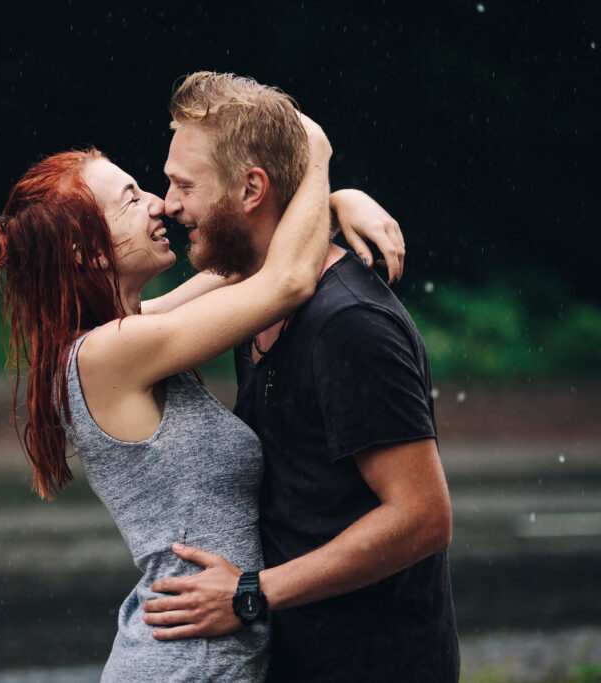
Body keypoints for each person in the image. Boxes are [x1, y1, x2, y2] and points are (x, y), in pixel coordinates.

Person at [0, 92, 404, 679]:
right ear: (86, 251)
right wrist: (315, 153)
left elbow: (251, 262)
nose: (158, 205)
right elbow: (284, 283)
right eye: (130, 200)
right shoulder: (110, 353)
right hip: (182, 665)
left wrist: (336, 202)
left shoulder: (137, 329)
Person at [141, 71, 459, 682]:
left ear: (251, 188)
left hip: (375, 664)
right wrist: (334, 196)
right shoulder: (257, 293)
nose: (168, 203)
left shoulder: (349, 325)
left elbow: (423, 516)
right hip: (295, 657)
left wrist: (251, 592)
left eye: (183, 185)